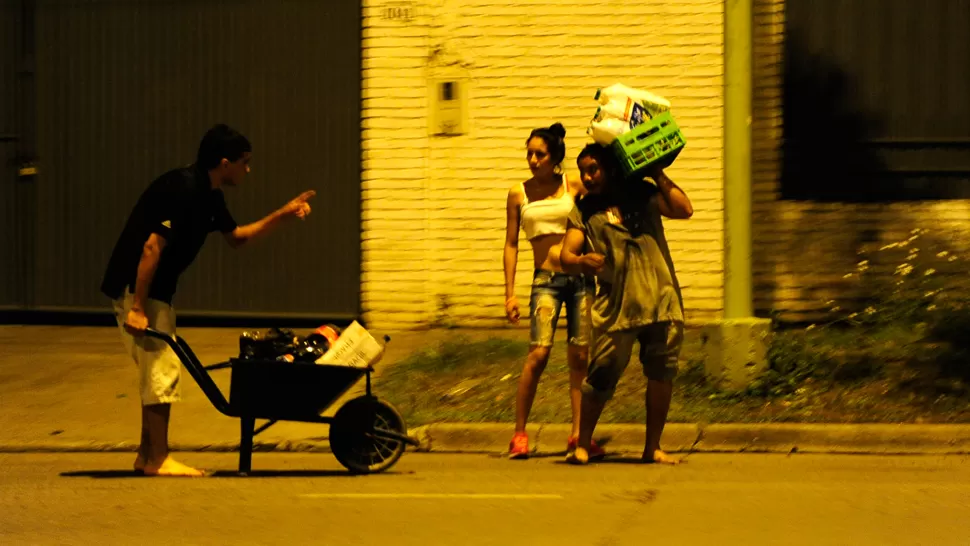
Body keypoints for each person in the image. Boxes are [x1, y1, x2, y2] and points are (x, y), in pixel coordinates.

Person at [100, 124, 316, 477]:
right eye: (245, 162)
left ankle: (146, 455)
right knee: (162, 371)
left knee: (156, 373)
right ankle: (158, 459)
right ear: (225, 162)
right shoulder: (184, 189)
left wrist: (284, 213)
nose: (249, 169)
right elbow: (152, 247)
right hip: (138, 287)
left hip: (156, 290)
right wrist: (137, 307)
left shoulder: (211, 195)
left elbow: (238, 239)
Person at [560, 143, 693, 465]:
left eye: (593, 169)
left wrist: (657, 173)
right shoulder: (584, 211)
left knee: (662, 373)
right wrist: (582, 261)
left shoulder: (642, 193)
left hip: (660, 300)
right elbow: (565, 256)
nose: (587, 177)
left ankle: (653, 448)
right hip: (617, 308)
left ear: (611, 168)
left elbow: (684, 209)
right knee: (601, 375)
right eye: (583, 171)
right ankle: (583, 444)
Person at [503, 122, 604, 460]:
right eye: (529, 153)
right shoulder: (519, 193)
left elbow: (598, 210)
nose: (533, 160)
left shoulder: (572, 185)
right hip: (544, 281)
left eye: (540, 154)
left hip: (580, 282)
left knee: (579, 358)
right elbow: (512, 243)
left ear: (554, 157)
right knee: (539, 354)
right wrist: (510, 293)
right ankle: (519, 434)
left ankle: (578, 435)